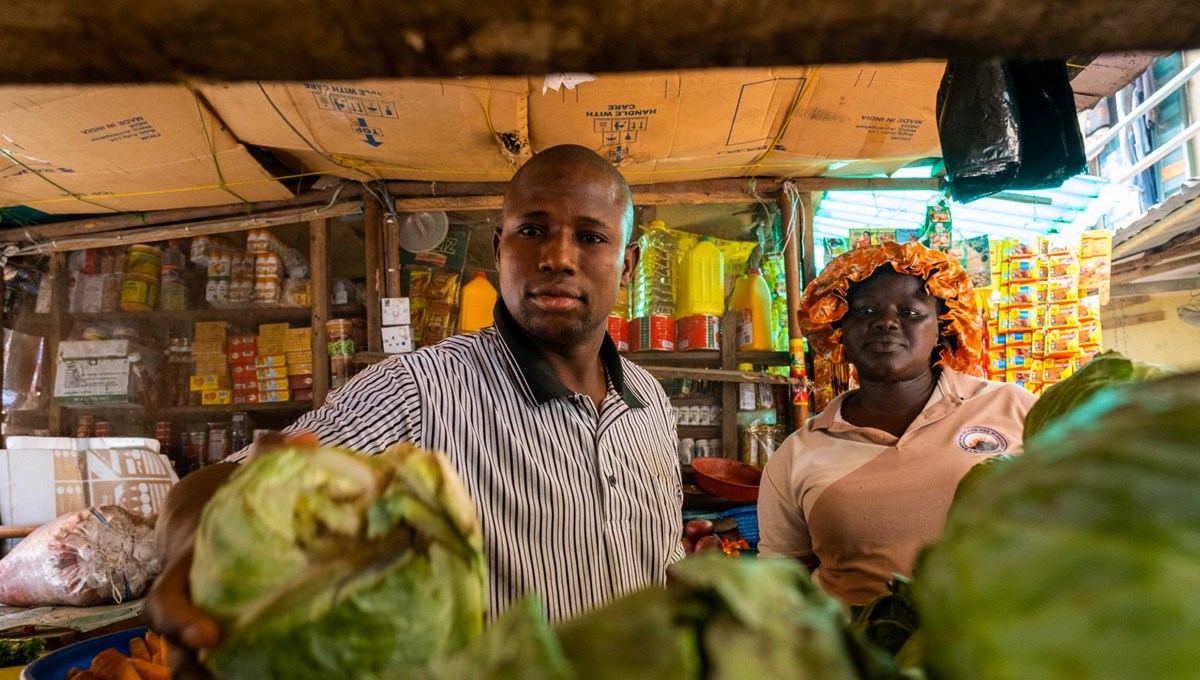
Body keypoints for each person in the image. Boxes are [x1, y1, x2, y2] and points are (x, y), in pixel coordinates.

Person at [148, 144, 684, 677]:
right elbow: (229, 480)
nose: (558, 257)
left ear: (628, 263)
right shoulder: (418, 393)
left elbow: (662, 567)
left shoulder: (649, 404)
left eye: (590, 237)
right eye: (532, 230)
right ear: (499, 250)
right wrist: (201, 539)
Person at [757, 241, 1036, 606]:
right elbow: (781, 588)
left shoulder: (1013, 408)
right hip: (862, 658)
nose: (886, 322)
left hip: (1002, 655)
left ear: (943, 326)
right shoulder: (798, 454)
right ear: (839, 327)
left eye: (910, 311)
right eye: (866, 310)